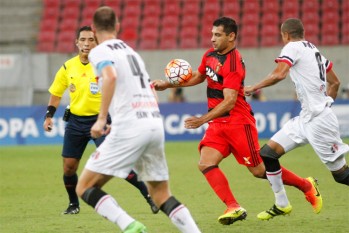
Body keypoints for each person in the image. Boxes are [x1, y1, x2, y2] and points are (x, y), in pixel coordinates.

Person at [153, 17, 322, 225]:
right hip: (218, 125)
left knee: (259, 171)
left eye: (218, 35)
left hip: (237, 123)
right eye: (212, 34)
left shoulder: (234, 63)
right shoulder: (210, 54)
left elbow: (230, 101)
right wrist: (167, 85)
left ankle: (305, 185)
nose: (212, 39)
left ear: (231, 36)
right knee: (206, 163)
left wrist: (202, 120)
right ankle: (233, 206)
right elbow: (199, 76)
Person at [75, 6, 201, 233]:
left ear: (93, 30)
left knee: (84, 186)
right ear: (118, 26)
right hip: (152, 122)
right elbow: (147, 87)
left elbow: (110, 76)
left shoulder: (99, 51)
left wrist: (101, 119)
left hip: (132, 127)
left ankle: (130, 226)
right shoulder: (131, 51)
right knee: (162, 194)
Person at [43, 26, 158, 215]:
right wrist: (49, 116)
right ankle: (73, 204)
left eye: (91, 40)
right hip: (75, 123)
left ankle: (149, 196)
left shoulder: (106, 64)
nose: (87, 44)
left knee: (117, 163)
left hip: (102, 121)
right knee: (69, 167)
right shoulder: (67, 67)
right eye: (83, 40)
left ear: (97, 43)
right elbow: (56, 93)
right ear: (77, 42)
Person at [245, 18, 349, 220]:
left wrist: (253, 87)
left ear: (285, 35)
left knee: (342, 175)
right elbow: (335, 83)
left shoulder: (292, 47)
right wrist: (326, 102)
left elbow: (279, 74)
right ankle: (281, 204)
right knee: (268, 154)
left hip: (319, 122)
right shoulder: (314, 50)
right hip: (306, 119)